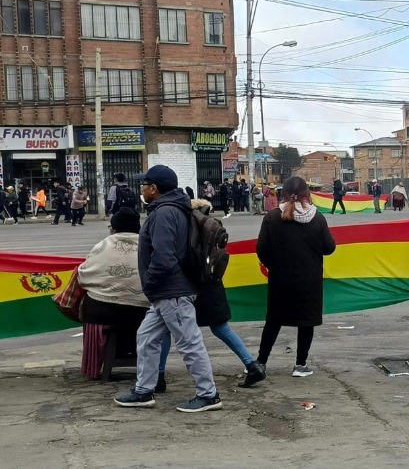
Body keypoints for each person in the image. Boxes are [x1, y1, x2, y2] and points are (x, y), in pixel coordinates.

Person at [113, 165, 221, 413]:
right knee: (146, 337)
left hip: (171, 291)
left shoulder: (164, 213)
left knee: (189, 343)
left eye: (144, 185)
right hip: (168, 291)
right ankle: (143, 391)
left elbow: (164, 257)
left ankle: (209, 395)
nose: (141, 189)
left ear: (154, 188)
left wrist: (150, 282)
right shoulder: (175, 209)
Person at [156, 199, 266, 390]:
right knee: (220, 328)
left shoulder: (191, 229)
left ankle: (158, 376)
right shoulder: (213, 227)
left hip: (189, 286)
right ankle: (252, 365)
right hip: (212, 285)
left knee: (166, 327)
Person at [253, 176, 337, 378]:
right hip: (310, 280)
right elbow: (329, 248)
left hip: (280, 279)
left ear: (283, 194)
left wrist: (274, 265)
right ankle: (300, 365)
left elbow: (261, 249)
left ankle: (261, 362)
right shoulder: (317, 218)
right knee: (306, 321)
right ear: (307, 194)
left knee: (273, 321)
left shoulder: (272, 217)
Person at [78, 208, 150, 380]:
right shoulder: (147, 244)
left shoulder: (103, 245)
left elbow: (83, 276)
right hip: (141, 313)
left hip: (102, 312)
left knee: (88, 301)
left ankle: (94, 364)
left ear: (115, 228)